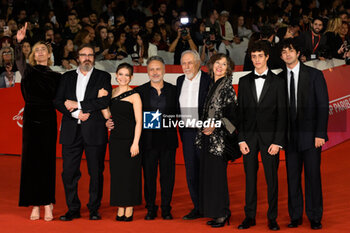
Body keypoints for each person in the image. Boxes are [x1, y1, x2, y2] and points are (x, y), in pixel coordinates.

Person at [54, 43, 112, 221]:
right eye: (83, 55)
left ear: (94, 58)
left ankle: (94, 208)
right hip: (71, 131)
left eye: (90, 55)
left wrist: (78, 105)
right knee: (69, 172)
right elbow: (58, 101)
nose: (87, 58)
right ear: (77, 57)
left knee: (96, 172)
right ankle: (73, 208)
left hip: (94, 131)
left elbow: (104, 101)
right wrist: (75, 113)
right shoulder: (67, 77)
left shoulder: (103, 76)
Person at [279, 38, 329, 230]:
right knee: (292, 177)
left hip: (311, 137)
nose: (287, 55)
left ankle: (315, 216)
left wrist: (320, 134)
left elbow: (323, 106)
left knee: (313, 177)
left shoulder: (314, 75)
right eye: (283, 52)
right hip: (290, 138)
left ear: (298, 53)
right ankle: (295, 215)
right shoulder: (280, 78)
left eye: (290, 51)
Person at [237, 41, 287, 231]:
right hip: (248, 139)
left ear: (267, 57)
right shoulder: (243, 81)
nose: (256, 60)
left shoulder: (278, 82)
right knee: (250, 179)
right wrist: (241, 139)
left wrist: (277, 142)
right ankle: (249, 216)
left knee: (271, 179)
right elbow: (240, 112)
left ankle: (272, 217)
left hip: (270, 140)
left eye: (260, 56)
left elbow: (283, 114)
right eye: (253, 56)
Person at [16, 23, 61, 221]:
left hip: (48, 121)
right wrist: (19, 42)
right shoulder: (28, 72)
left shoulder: (57, 77)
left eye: (44, 49)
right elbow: (18, 59)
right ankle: (35, 204)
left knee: (47, 163)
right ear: (33, 55)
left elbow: (61, 100)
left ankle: (48, 204)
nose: (41, 52)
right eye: (37, 50)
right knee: (31, 163)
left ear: (49, 54)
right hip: (31, 120)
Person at [195, 53, 238, 228]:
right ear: (211, 66)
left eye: (224, 64)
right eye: (217, 63)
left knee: (218, 178)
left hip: (219, 141)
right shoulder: (213, 84)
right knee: (210, 177)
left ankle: (222, 213)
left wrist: (216, 125)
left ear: (228, 68)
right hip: (208, 138)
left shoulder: (227, 87)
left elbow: (233, 118)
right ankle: (215, 211)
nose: (219, 67)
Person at [136, 56, 178, 220]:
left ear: (164, 71)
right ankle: (151, 208)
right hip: (148, 141)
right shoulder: (140, 91)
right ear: (147, 72)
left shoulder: (174, 90)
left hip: (168, 140)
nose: (155, 72)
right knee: (149, 176)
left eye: (158, 69)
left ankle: (166, 208)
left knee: (168, 176)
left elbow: (180, 113)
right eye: (152, 69)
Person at [99, 63, 142, 221]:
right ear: (116, 75)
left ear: (131, 77)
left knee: (130, 173)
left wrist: (136, 142)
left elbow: (139, 121)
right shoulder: (111, 93)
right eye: (120, 74)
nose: (123, 77)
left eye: (126, 75)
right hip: (115, 139)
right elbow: (108, 114)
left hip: (130, 139)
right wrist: (106, 118)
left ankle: (129, 206)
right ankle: (120, 205)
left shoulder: (134, 95)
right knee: (118, 174)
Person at [176, 50, 211, 220]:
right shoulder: (179, 80)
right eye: (184, 63)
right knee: (191, 172)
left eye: (190, 62)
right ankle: (198, 207)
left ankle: (210, 206)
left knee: (207, 171)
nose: (187, 66)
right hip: (187, 133)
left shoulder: (208, 80)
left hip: (204, 132)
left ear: (198, 63)